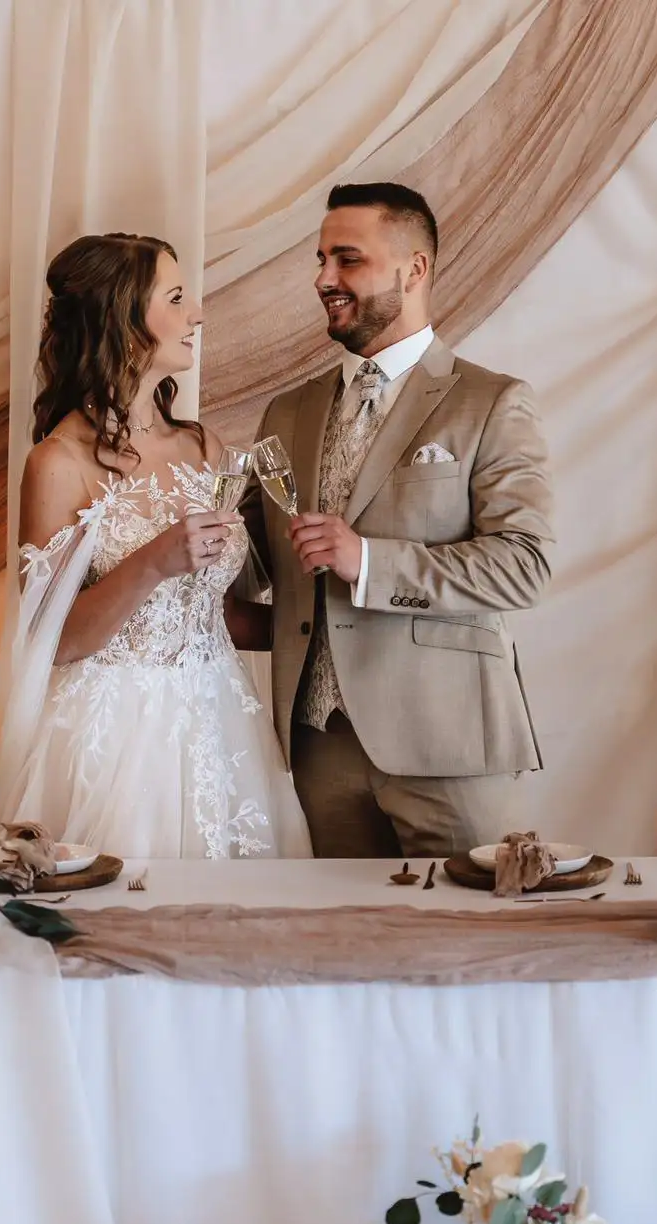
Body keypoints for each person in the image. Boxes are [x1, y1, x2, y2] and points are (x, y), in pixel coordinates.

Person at [240, 181, 554, 858]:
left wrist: (371, 562)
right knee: (350, 956)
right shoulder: (284, 414)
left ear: (414, 270)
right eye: (322, 260)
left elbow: (525, 566)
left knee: (470, 949)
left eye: (347, 259)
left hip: (449, 744)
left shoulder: (491, 403)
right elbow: (252, 564)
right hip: (321, 747)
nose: (324, 278)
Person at [0, 232, 310, 860]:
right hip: (119, 739)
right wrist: (154, 560)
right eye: (177, 298)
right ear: (125, 319)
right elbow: (57, 640)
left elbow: (209, 612)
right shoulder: (59, 463)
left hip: (225, 723)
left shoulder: (205, 449)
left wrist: (315, 625)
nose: (197, 314)